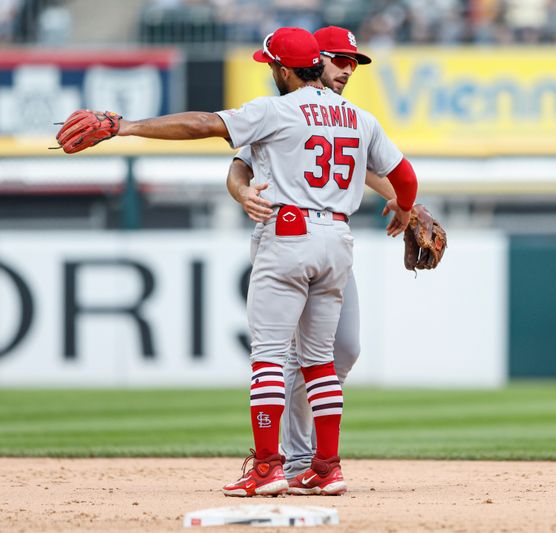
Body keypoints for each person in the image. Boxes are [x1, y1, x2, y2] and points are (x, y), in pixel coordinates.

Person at [55, 27, 418, 497]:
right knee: (319, 363)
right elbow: (404, 176)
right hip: (337, 236)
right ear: (318, 63)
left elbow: (204, 123)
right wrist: (406, 209)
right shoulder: (358, 118)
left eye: (270, 66)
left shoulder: (273, 109)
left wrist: (127, 126)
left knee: (268, 356)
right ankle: (327, 468)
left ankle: (268, 467)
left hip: (288, 233)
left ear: (283, 69)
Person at [225, 26, 401, 488]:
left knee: (330, 352)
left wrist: (408, 203)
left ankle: (283, 465)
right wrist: (242, 192)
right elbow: (239, 167)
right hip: (320, 237)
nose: (347, 68)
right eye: (340, 59)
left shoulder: (334, 114)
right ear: (314, 58)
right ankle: (303, 459)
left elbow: (374, 170)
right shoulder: (290, 114)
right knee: (307, 356)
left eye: (353, 62)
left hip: (310, 236)